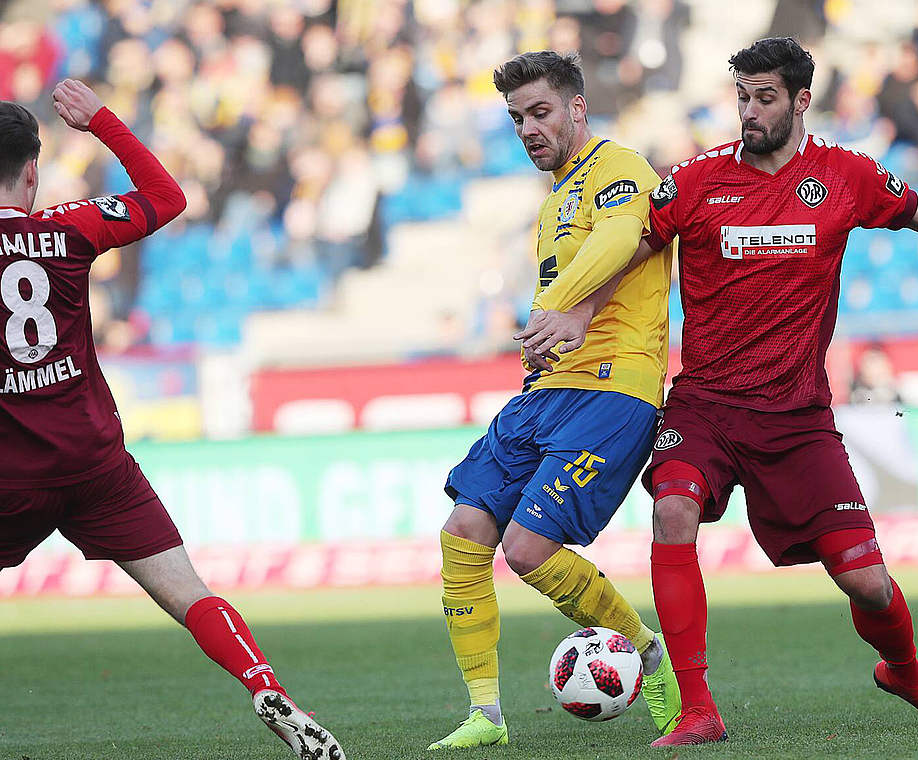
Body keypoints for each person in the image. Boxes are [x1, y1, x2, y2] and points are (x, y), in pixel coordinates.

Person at [523, 37, 918, 747]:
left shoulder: (845, 177)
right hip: (706, 406)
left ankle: (907, 672)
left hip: (797, 417)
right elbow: (630, 251)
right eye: (742, 96)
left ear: (802, 100)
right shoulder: (694, 181)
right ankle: (698, 707)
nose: (749, 111)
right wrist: (582, 310)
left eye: (765, 97)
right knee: (674, 509)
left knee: (867, 582)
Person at [0, 81, 345, 760]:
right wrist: (101, 121)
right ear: (32, 172)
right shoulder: (67, 228)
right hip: (98, 467)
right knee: (190, 594)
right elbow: (168, 198)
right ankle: (268, 686)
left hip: (9, 476)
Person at [428, 51, 679, 751]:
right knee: (464, 535)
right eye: (516, 119)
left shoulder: (619, 167)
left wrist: (560, 309)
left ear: (577, 107)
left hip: (614, 385)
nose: (529, 129)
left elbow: (623, 238)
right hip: (545, 392)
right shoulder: (551, 202)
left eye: (540, 113)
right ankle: (486, 715)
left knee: (528, 548)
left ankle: (648, 655)